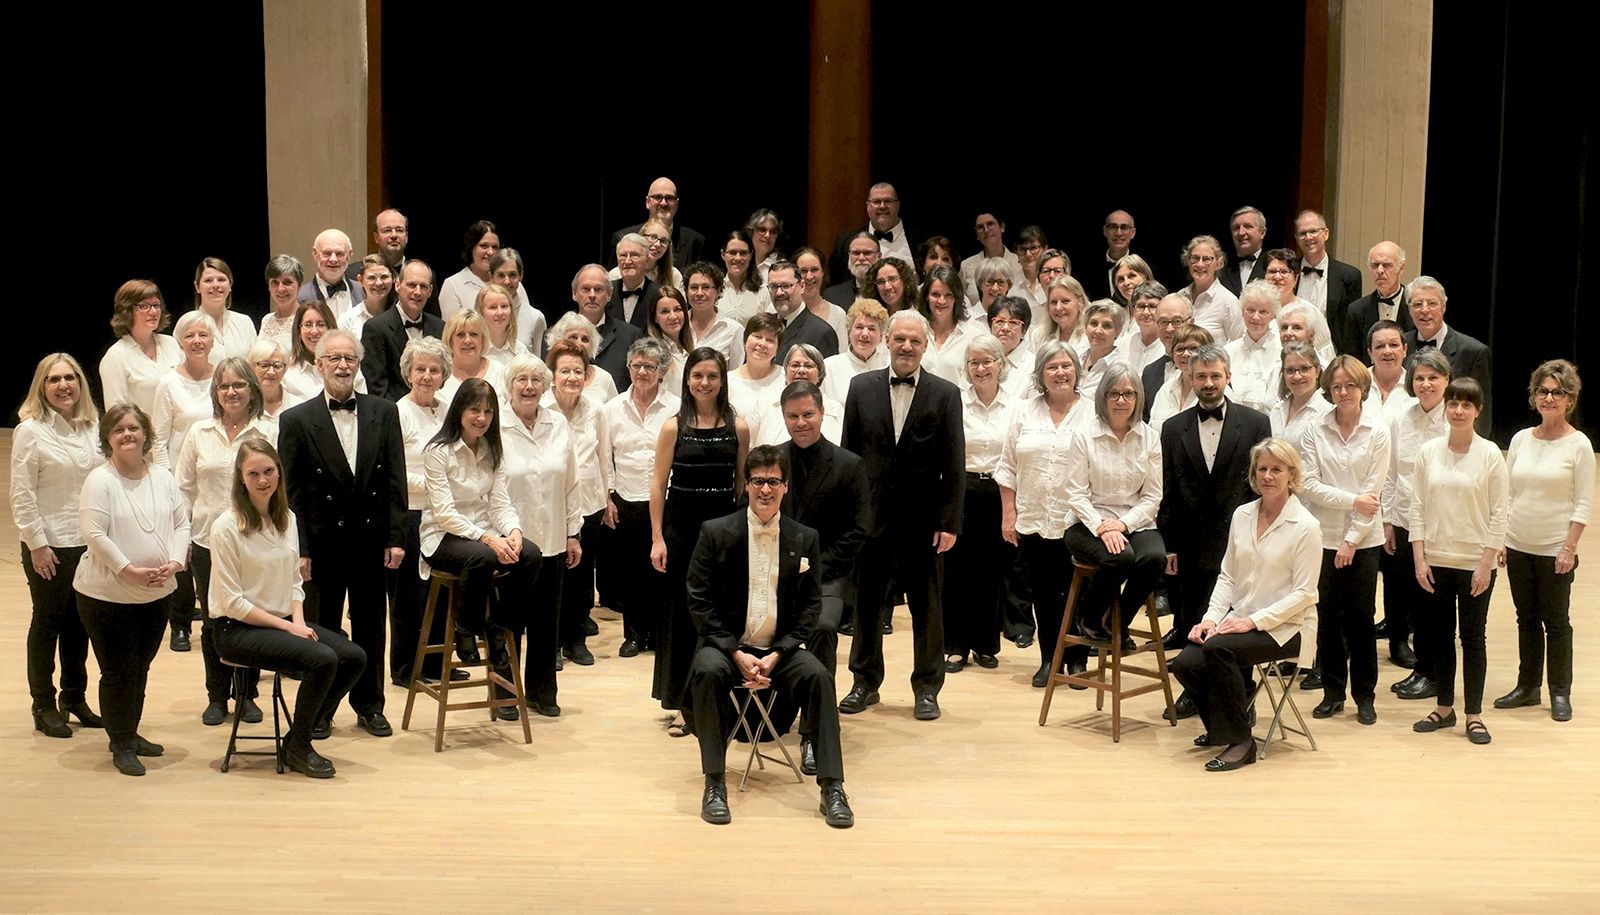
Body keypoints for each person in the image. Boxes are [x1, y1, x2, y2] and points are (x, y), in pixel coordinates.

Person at [683, 445, 854, 828]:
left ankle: (833, 787)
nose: (765, 489)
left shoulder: (805, 537)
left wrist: (777, 654)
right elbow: (698, 600)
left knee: (819, 678)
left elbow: (811, 609)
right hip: (727, 648)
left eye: (773, 481)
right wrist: (734, 653)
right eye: (758, 481)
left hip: (780, 652)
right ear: (746, 485)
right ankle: (714, 783)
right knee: (707, 672)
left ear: (785, 487)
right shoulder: (715, 532)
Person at [208, 439, 367, 778]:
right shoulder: (226, 527)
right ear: (240, 478)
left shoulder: (287, 518)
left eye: (268, 471)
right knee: (322, 659)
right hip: (236, 629)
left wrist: (297, 619)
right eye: (253, 473)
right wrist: (289, 629)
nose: (263, 480)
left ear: (279, 472)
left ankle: (299, 735)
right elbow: (233, 602)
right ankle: (300, 747)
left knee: (353, 657)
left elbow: (296, 580)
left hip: (281, 619)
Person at [278, 328, 406, 738]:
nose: (342, 364)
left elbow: (395, 481)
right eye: (333, 358)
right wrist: (300, 548)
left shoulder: (384, 412)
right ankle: (321, 709)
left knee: (371, 626)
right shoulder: (295, 420)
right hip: (322, 542)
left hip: (370, 541)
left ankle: (370, 705)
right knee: (322, 628)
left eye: (349, 358)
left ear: (359, 363)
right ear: (318, 365)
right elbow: (291, 492)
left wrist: (397, 536)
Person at [840, 310, 964, 721]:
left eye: (915, 340)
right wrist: (852, 519)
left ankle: (927, 688)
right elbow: (850, 457)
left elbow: (954, 463)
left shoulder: (945, 394)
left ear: (925, 344)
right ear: (887, 341)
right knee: (868, 606)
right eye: (900, 339)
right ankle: (864, 682)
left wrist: (949, 523)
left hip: (924, 523)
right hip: (872, 521)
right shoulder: (860, 388)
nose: (906, 346)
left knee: (927, 609)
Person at [1169, 438, 1320, 771]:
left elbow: (1304, 594)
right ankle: (1223, 727)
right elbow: (1228, 577)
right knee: (1184, 662)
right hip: (1240, 620)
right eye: (1262, 469)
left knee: (1219, 650)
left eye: (1276, 469)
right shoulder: (1242, 515)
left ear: (1291, 474)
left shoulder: (1306, 527)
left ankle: (1241, 742)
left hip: (1287, 627)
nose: (1267, 476)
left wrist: (1254, 622)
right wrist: (1210, 619)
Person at [73, 404, 189, 776]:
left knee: (140, 668)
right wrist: (127, 570)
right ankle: (120, 743)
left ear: (146, 435)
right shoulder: (100, 480)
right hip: (107, 596)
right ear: (108, 437)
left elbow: (181, 523)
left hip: (156, 593)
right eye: (119, 429)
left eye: (134, 428)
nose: (128, 434)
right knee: (119, 671)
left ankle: (130, 731)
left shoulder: (162, 477)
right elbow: (94, 534)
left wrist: (175, 562)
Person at [1157, 342, 1274, 706]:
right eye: (1201, 376)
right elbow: (1168, 488)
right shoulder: (1172, 428)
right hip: (1190, 543)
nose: (1208, 383)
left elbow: (1262, 484)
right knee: (1192, 615)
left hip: (1240, 539)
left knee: (1236, 619)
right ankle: (1196, 690)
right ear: (1189, 378)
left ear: (1228, 376)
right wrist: (1170, 545)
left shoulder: (1255, 422)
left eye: (1215, 376)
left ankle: (1241, 694)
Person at [650, 348, 749, 737]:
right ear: (687, 380)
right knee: (682, 616)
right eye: (697, 376)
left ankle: (715, 697)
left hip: (722, 531)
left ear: (722, 380)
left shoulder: (738, 427)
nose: (704, 383)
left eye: (711, 376)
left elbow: (741, 485)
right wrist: (657, 538)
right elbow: (658, 486)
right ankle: (681, 703)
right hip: (680, 529)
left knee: (718, 616)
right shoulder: (673, 427)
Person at [174, 358, 276, 726]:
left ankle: (247, 695)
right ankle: (216, 696)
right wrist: (180, 538)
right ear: (215, 393)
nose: (231, 392)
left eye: (238, 385)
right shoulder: (199, 432)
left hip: (254, 540)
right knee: (214, 620)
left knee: (250, 620)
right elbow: (183, 489)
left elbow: (281, 489)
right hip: (206, 540)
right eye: (223, 386)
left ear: (252, 389)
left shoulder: (268, 431)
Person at [420, 379, 542, 687]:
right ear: (459, 411)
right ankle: (466, 627)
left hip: (481, 532)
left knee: (530, 554)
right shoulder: (438, 451)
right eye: (474, 409)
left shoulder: (492, 449)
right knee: (483, 557)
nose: (482, 418)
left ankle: (501, 626)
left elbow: (500, 503)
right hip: (441, 535)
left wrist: (513, 531)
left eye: (488, 411)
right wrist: (489, 538)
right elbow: (445, 513)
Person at [1409, 378, 1509, 745]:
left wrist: (1486, 564)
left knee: (1473, 638)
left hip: (1474, 563)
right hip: (1435, 560)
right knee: (1438, 637)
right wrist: (1419, 558)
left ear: (1477, 410)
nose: (1459, 410)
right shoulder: (1429, 452)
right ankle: (1444, 708)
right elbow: (1416, 506)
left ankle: (1474, 715)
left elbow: (1500, 513)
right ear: (1446, 408)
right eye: (1453, 403)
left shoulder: (1490, 455)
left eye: (1467, 405)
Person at [776, 381, 869, 771]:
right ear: (784, 417)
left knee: (823, 628)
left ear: (822, 413)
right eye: (793, 417)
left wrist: (815, 568)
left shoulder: (849, 464)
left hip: (827, 576)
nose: (801, 423)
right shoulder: (772, 463)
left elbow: (858, 529)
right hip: (777, 576)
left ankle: (814, 732)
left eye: (807, 415)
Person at [1297, 356, 1390, 725]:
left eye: (1350, 385)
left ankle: (1364, 697)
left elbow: (1375, 492)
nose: (1343, 392)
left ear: (1362, 388)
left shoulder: (1378, 431)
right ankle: (1333, 692)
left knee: (1361, 619)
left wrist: (1350, 541)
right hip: (1322, 539)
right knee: (1327, 618)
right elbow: (1309, 485)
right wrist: (1351, 500)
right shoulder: (1314, 429)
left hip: (1364, 542)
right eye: (1336, 386)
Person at [1497, 360, 1591, 722]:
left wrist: (1569, 547)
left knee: (1557, 621)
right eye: (1542, 391)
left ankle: (1559, 691)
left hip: (1555, 548)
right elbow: (1508, 493)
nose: (1548, 398)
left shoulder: (1578, 444)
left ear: (1570, 398)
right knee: (1525, 618)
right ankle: (1527, 686)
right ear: (1534, 396)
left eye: (1557, 392)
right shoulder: (1521, 439)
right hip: (1519, 543)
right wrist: (1503, 537)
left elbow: (1583, 501)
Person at [14, 354, 102, 738]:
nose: (64, 385)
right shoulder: (30, 430)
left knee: (79, 625)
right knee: (47, 623)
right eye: (54, 380)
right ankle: (43, 704)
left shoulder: (91, 426)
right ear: (42, 386)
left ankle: (74, 697)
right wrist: (36, 543)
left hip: (87, 544)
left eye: (70, 378)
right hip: (49, 544)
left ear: (80, 383)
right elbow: (21, 493)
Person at [998, 340, 1092, 686]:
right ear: (1040, 375)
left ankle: (1078, 659)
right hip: (1035, 516)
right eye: (1052, 367)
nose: (1060, 372)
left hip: (1079, 520)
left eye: (1066, 366)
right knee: (1043, 593)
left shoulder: (1092, 410)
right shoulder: (1023, 411)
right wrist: (1009, 513)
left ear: (1077, 372)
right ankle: (1049, 659)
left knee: (1078, 592)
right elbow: (1007, 466)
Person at [1062, 364, 1165, 649]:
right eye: (1114, 393)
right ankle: (1090, 618)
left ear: (1138, 398)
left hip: (1134, 520)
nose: (1121, 400)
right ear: (1103, 397)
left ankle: (1117, 622)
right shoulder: (1083, 435)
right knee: (1120, 557)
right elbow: (1076, 493)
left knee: (1154, 558)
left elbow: (1152, 497)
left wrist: (1122, 525)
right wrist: (1101, 527)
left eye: (1128, 394)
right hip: (1087, 523)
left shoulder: (1150, 437)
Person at [501, 355, 582, 717]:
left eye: (536, 379)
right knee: (508, 621)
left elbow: (570, 482)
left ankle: (541, 692)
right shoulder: (495, 425)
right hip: (510, 542)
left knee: (546, 622)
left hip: (551, 537)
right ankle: (503, 693)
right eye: (522, 379)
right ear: (509, 385)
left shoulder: (558, 424)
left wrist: (573, 532)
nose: (529, 386)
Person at [600, 338, 680, 658]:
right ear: (628, 368)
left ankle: (661, 634)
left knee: (663, 570)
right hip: (627, 498)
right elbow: (604, 456)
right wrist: (607, 496)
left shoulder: (676, 407)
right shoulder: (611, 409)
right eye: (636, 365)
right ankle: (634, 634)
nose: (642, 372)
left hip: (669, 499)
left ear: (662, 371)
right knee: (631, 571)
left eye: (649, 366)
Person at [945, 334, 1020, 673]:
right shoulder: (955, 401)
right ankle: (956, 646)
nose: (980, 368)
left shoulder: (1017, 404)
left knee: (993, 570)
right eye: (973, 362)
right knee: (958, 570)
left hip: (1000, 491)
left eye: (987, 361)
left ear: (1000, 364)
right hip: (964, 489)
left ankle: (986, 644)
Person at [1382, 349, 1454, 697]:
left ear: (1446, 381)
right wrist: (1387, 522)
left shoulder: (1453, 419)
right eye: (1420, 377)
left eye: (1433, 378)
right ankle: (1423, 669)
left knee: (1433, 604)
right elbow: (1391, 474)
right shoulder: (1400, 418)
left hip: (1440, 527)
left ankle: (1434, 672)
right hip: (1404, 521)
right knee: (1413, 600)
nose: (1425, 384)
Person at [544, 340, 612, 662]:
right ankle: (553, 643)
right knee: (555, 578)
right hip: (554, 507)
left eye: (578, 371)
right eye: (565, 371)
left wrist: (608, 497)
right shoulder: (542, 409)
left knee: (584, 576)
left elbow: (603, 457)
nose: (572, 377)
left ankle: (576, 640)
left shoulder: (596, 409)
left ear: (587, 376)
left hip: (591, 502)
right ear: (552, 375)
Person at [390, 336, 449, 686]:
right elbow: (394, 469)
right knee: (409, 596)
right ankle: (404, 669)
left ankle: (436, 664)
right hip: (411, 515)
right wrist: (437, 484)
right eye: (420, 369)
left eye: (434, 370)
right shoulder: (398, 411)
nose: (427, 376)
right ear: (408, 373)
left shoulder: (446, 409)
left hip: (442, 516)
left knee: (441, 596)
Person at [1403, 276, 1493, 437]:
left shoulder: (1474, 352)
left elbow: (1482, 412)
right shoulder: (1401, 346)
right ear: (1409, 310)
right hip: (1409, 439)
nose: (1424, 310)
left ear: (1443, 307)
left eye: (1432, 303)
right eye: (1417, 304)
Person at [361, 260, 445, 401]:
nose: (417, 292)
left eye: (423, 286)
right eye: (411, 285)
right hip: (394, 415)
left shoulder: (440, 327)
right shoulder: (375, 328)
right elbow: (377, 388)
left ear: (430, 291)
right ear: (398, 285)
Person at [99, 280, 182, 416]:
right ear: (127, 311)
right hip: (145, 435)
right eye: (144, 306)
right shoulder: (115, 357)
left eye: (156, 305)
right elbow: (117, 415)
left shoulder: (171, 343)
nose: (154, 311)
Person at [1292, 210, 1363, 355]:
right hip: (1292, 353)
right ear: (1296, 238)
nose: (1308, 237)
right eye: (1302, 233)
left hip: (1332, 355)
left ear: (1326, 234)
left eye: (1313, 231)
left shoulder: (1349, 276)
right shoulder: (1288, 271)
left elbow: (1352, 328)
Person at [151, 311, 216, 469]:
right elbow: (158, 442)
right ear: (180, 343)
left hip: (218, 472)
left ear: (212, 342)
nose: (197, 341)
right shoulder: (168, 382)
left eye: (203, 335)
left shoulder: (223, 379)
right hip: (181, 475)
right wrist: (166, 480)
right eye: (189, 336)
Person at [752, 344, 843, 446]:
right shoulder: (766, 403)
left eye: (809, 366)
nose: (801, 371)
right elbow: (749, 445)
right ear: (786, 372)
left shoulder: (836, 409)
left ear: (820, 375)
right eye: (795, 365)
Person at [283, 300, 367, 407]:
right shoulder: (287, 374)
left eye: (321, 324)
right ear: (299, 332)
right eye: (308, 324)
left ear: (330, 329)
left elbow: (364, 407)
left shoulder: (350, 367)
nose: (314, 331)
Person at [609, 177, 705, 270]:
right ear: (647, 202)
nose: (663, 203)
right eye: (657, 197)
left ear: (677, 204)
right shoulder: (622, 238)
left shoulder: (695, 241)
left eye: (669, 198)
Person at [829, 180, 915, 282]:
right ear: (868, 206)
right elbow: (834, 282)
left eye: (888, 201)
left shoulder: (919, 240)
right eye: (876, 202)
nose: (882, 206)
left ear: (898, 205)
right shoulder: (845, 241)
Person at [554, 291, 626, 402]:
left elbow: (614, 415)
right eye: (573, 337)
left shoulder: (604, 378)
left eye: (585, 339)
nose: (579, 343)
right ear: (558, 340)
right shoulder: (545, 375)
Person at [1343, 241, 1416, 351]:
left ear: (1401, 268)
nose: (1380, 271)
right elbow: (1352, 357)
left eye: (1387, 265)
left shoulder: (1415, 306)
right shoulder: (1356, 310)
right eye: (1375, 265)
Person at [1223, 280, 1283, 412]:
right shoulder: (1227, 352)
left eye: (1263, 312)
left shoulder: (1283, 352)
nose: (1256, 317)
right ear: (1242, 311)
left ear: (1273, 315)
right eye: (1250, 310)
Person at [1148, 323, 1213, 431]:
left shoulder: (1217, 390)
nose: (1186, 354)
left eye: (1193, 348)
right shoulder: (1166, 388)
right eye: (1180, 349)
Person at [917, 266, 977, 384]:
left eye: (948, 295)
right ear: (926, 297)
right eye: (935, 294)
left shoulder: (973, 337)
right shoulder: (916, 330)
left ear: (956, 298)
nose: (942, 301)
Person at [1140, 293, 1194, 423]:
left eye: (1176, 321)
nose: (1169, 329)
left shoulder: (1211, 367)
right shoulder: (1149, 373)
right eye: (1163, 322)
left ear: (1191, 322)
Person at [822, 298, 889, 403]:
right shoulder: (828, 367)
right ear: (849, 331)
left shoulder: (890, 366)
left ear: (881, 336)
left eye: (872, 329)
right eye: (859, 327)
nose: (865, 334)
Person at [192, 257, 258, 363]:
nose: (216, 285)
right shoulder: (187, 324)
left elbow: (255, 364)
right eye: (208, 280)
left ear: (230, 285)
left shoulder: (244, 322)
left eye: (221, 280)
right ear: (197, 286)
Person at [1180, 235, 1243, 344]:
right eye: (1195, 258)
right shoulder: (1179, 297)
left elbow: (1238, 344)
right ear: (1188, 261)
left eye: (1206, 259)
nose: (1200, 264)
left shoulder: (1229, 302)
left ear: (1218, 263)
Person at [684, 261, 745, 371]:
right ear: (686, 291)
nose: (699, 293)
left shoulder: (734, 330)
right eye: (693, 287)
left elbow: (735, 375)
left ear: (718, 291)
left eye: (706, 287)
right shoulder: (678, 325)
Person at [438, 309, 507, 404]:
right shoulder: (439, 374)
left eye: (474, 334)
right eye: (460, 335)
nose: (467, 340)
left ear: (483, 339)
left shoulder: (500, 372)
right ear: (450, 340)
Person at [438, 220, 501, 320]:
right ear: (471, 247)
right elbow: (450, 331)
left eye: (495, 247)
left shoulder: (508, 281)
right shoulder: (453, 285)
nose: (490, 252)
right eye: (484, 246)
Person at [488, 247, 547, 356]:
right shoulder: (480, 316)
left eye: (512, 275)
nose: (507, 281)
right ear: (491, 277)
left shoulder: (536, 318)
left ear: (521, 275)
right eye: (501, 275)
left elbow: (539, 364)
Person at [727, 312, 786, 419]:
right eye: (757, 336)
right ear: (744, 341)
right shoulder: (728, 381)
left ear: (778, 349)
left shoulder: (786, 377)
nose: (762, 344)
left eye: (770, 340)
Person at [1268, 343, 1330, 441]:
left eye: (1304, 369)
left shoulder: (1326, 413)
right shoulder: (1276, 411)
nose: (1297, 376)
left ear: (1317, 371)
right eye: (1290, 370)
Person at [959, 212, 1022, 305]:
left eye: (990, 224)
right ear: (976, 234)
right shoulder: (966, 265)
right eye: (980, 227)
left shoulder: (1019, 262)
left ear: (1002, 227)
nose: (986, 230)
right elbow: (961, 301)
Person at [297, 229, 362, 318]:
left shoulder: (363, 292)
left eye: (339, 254)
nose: (333, 260)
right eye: (327, 253)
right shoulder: (300, 298)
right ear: (315, 254)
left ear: (349, 255)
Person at [794, 246, 850, 343]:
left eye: (814, 269)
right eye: (803, 271)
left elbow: (841, 354)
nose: (809, 276)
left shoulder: (838, 314)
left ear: (823, 272)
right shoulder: (781, 310)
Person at [1363, 320, 1414, 425]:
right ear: (1370, 353)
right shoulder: (1356, 381)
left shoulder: (1416, 386)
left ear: (1405, 350)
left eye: (1393, 345)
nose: (1387, 351)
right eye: (1379, 346)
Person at [646, 285, 693, 397]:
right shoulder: (651, 353)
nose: (673, 316)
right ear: (655, 318)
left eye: (677, 309)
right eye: (665, 311)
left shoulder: (691, 349)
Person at [1076, 300, 1126, 403]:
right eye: (1093, 323)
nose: (1098, 331)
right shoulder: (1075, 357)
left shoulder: (1120, 370)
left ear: (1118, 331)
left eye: (1107, 326)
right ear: (1085, 327)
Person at [610, 234, 661, 332]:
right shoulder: (606, 291)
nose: (628, 261)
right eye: (623, 255)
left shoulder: (659, 294)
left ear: (647, 260)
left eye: (634, 255)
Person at [338, 255, 397, 338]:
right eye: (372, 278)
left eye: (384, 277)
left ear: (393, 279)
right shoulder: (347, 321)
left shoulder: (402, 316)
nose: (379, 283)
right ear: (360, 280)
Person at [1030, 275, 1089, 355]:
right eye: (1054, 302)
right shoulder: (1038, 335)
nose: (1058, 307)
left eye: (1065, 301)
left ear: (1081, 302)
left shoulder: (1091, 335)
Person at [1117, 280, 1169, 372]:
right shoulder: (1123, 344)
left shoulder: (1169, 346)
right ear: (1133, 309)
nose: (1145, 313)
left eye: (1152, 306)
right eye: (1140, 306)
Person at [259, 255, 305, 353]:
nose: (280, 289)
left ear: (299, 285)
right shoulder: (266, 319)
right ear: (269, 287)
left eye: (287, 282)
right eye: (275, 282)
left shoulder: (306, 319)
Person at [717, 230, 764, 325]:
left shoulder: (762, 290)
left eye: (743, 253)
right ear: (723, 255)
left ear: (750, 255)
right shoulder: (714, 289)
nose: (738, 258)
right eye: (732, 252)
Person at [1220, 206, 1270, 296]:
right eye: (1236, 228)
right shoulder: (1220, 265)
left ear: (1262, 232)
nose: (1241, 232)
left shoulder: (1272, 264)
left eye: (1248, 226)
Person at [474, 282, 526, 367]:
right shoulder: (474, 351)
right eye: (493, 307)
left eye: (504, 306)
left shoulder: (520, 350)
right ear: (481, 312)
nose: (500, 312)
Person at [826, 233, 880, 308]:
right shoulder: (831, 295)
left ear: (879, 256)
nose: (861, 258)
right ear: (849, 256)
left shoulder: (888, 291)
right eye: (856, 253)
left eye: (867, 253)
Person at [1094, 210, 1138, 300]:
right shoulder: (1088, 268)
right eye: (1113, 227)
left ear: (1132, 233)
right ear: (1105, 231)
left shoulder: (1145, 266)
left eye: (1124, 227)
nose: (1118, 233)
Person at [1012, 227, 1050, 308]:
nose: (1028, 254)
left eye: (1033, 248)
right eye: (1022, 249)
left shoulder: (1055, 280)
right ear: (1016, 252)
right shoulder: (1009, 283)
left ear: (1045, 249)